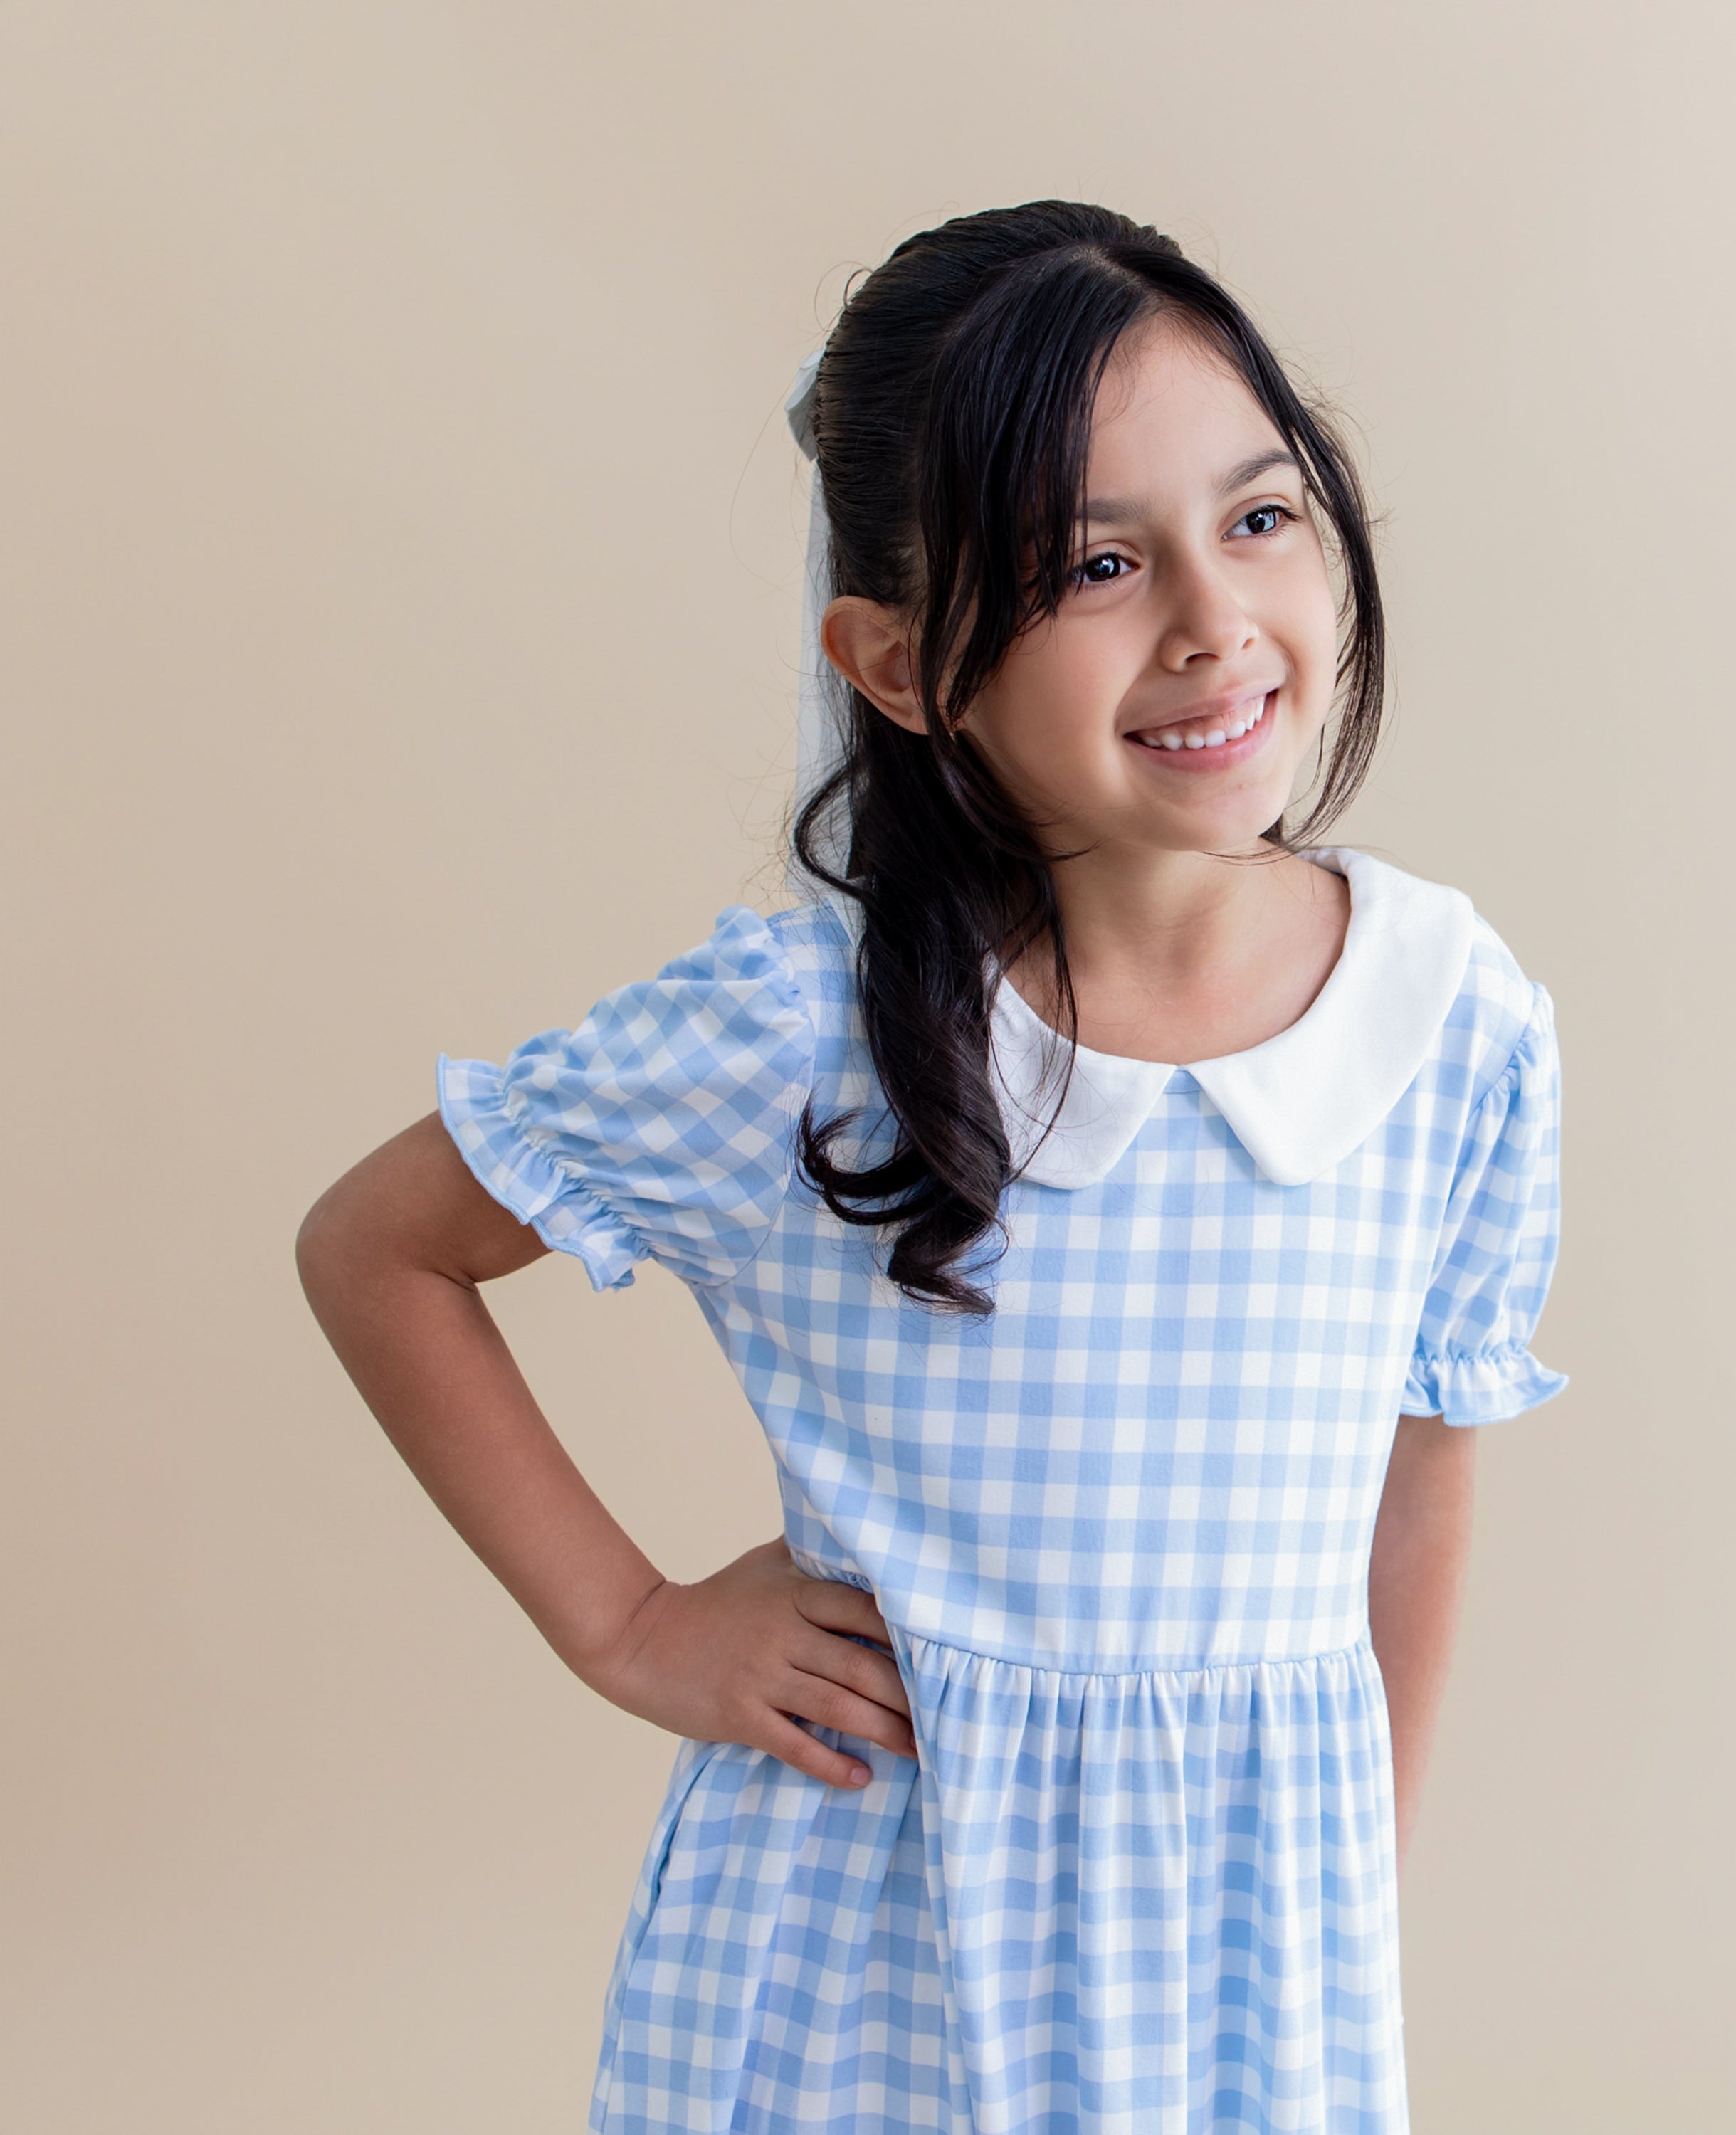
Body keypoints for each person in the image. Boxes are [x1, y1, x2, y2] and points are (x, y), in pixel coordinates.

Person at [297, 199, 1568, 2135]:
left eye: (1259, 515)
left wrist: (1346, 1891)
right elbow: (379, 1246)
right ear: (899, 665)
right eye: (1095, 564)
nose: (1212, 621)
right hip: (865, 1953)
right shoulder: (802, 1031)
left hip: (1242, 1980)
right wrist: (631, 1625)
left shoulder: (1453, 1025)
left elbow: (1422, 1476)